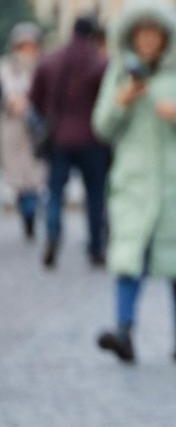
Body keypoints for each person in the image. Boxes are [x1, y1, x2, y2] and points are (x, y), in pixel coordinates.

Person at [91, 0, 176, 363]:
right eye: (141, 34)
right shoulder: (120, 71)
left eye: (154, 34)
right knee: (129, 258)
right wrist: (122, 100)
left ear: (166, 36)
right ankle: (123, 332)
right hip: (135, 183)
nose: (147, 41)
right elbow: (101, 126)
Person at [29, 16, 109, 268]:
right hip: (93, 137)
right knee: (95, 195)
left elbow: (34, 97)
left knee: (55, 194)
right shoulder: (100, 62)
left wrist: (50, 115)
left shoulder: (51, 59)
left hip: (59, 137)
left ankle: (53, 236)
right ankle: (96, 247)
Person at [0, 23, 46, 240]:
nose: (27, 51)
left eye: (31, 46)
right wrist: (10, 103)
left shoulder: (43, 67)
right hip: (12, 127)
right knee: (17, 176)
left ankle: (31, 211)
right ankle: (26, 211)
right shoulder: (5, 68)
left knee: (36, 174)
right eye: (23, 46)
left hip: (36, 128)